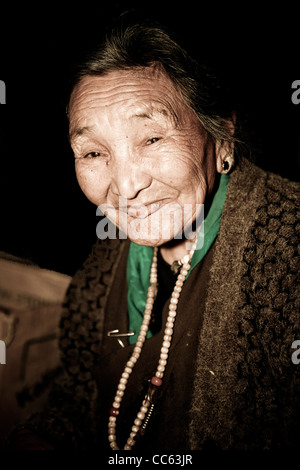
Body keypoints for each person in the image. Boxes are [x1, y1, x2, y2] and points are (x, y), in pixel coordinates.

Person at [8, 15, 300, 451]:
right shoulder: (106, 263)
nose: (125, 187)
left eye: (151, 139)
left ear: (221, 136)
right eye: (92, 152)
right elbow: (83, 402)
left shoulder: (288, 255)